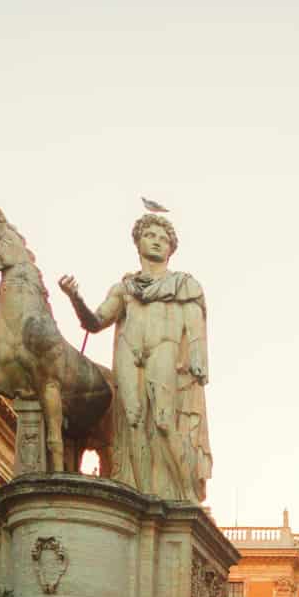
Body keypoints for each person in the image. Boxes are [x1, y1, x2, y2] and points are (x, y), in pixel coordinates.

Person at [60, 212, 211, 501]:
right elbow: (94, 322)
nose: (156, 242)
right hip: (129, 352)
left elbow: (195, 330)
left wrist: (197, 359)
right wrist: (75, 297)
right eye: (150, 236)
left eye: (163, 239)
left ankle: (186, 493)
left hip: (164, 349)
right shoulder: (124, 288)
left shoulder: (184, 285)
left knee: (165, 421)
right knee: (131, 423)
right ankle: (139, 500)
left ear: (171, 248)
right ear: (138, 242)